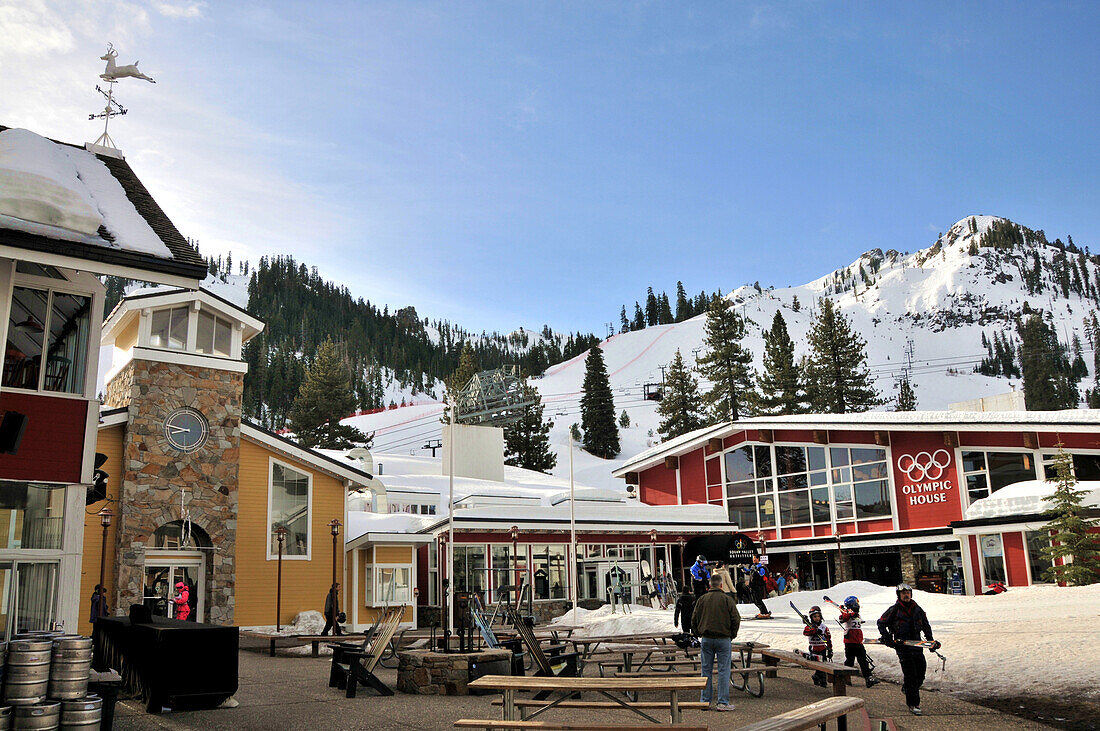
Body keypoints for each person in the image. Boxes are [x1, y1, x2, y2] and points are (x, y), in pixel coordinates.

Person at [877, 583, 940, 716]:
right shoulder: (894, 609)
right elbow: (881, 623)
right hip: (902, 646)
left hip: (917, 645)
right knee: (910, 675)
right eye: (903, 593)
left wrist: (930, 641)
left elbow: (926, 626)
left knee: (921, 672)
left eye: (908, 593)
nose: (906, 595)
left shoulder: (917, 609)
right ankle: (913, 703)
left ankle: (907, 688)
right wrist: (887, 638)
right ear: (899, 595)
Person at [693, 574, 740, 712]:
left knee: (705, 670)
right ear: (721, 585)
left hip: (706, 638)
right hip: (723, 638)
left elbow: (694, 618)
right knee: (723, 670)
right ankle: (722, 702)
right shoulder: (727, 600)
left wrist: (698, 632)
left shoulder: (702, 599)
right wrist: (732, 634)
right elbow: (735, 619)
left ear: (709, 585)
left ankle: (705, 701)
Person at [838, 595, 878, 688]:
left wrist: (856, 617)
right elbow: (842, 618)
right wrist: (849, 614)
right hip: (850, 642)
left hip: (858, 641)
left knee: (863, 660)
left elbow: (859, 621)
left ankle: (868, 678)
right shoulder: (846, 613)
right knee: (850, 661)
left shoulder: (857, 614)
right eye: (856, 603)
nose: (858, 606)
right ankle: (845, 678)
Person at [803, 605, 833, 687]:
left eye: (818, 616)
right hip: (814, 649)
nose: (817, 618)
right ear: (811, 617)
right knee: (818, 665)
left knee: (823, 665)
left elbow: (828, 638)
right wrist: (815, 630)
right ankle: (820, 679)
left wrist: (830, 649)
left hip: (822, 648)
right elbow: (806, 632)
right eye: (815, 616)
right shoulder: (809, 627)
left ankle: (819, 678)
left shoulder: (824, 627)